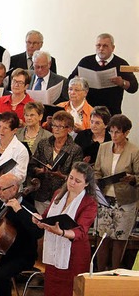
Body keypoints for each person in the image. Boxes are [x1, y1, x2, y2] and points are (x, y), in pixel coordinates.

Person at [33, 162, 97, 296]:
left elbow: (81, 230)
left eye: (78, 181)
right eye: (71, 178)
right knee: (52, 289)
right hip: (54, 252)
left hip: (75, 256)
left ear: (86, 184)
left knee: (69, 291)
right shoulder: (58, 193)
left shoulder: (90, 202)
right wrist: (38, 219)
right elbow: (46, 217)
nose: (72, 183)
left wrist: (61, 232)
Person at [93, 114, 139, 271]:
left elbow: (138, 176)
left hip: (125, 200)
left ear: (126, 133)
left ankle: (115, 272)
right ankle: (100, 272)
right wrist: (98, 181)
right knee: (102, 237)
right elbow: (97, 170)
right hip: (105, 197)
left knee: (119, 238)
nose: (113, 135)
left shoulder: (134, 150)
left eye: (117, 132)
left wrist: (132, 178)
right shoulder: (103, 147)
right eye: (111, 132)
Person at [68, 33, 138, 115]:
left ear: (113, 48)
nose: (101, 48)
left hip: (111, 112)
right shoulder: (85, 62)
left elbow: (134, 87)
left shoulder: (121, 63)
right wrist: (78, 81)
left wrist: (122, 82)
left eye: (105, 46)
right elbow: (70, 80)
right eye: (98, 45)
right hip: (88, 112)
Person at [30, 111, 83, 214]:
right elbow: (32, 165)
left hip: (61, 196)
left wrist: (61, 175)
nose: (56, 129)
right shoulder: (43, 144)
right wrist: (39, 170)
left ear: (69, 129)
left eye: (60, 126)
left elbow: (77, 177)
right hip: (42, 194)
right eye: (54, 126)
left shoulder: (75, 149)